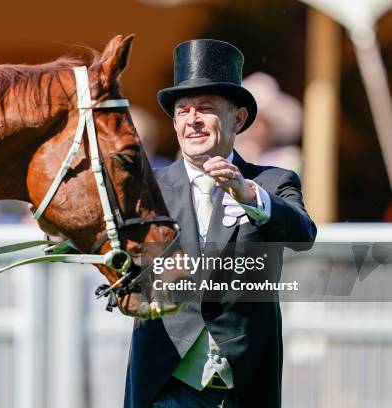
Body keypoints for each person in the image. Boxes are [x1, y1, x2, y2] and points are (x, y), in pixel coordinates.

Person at [123, 39, 317, 408]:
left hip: (243, 386)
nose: (191, 120)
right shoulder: (148, 190)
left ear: (238, 119)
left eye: (205, 109)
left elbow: (303, 236)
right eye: (182, 111)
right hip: (164, 385)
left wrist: (251, 197)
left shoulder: (274, 182)